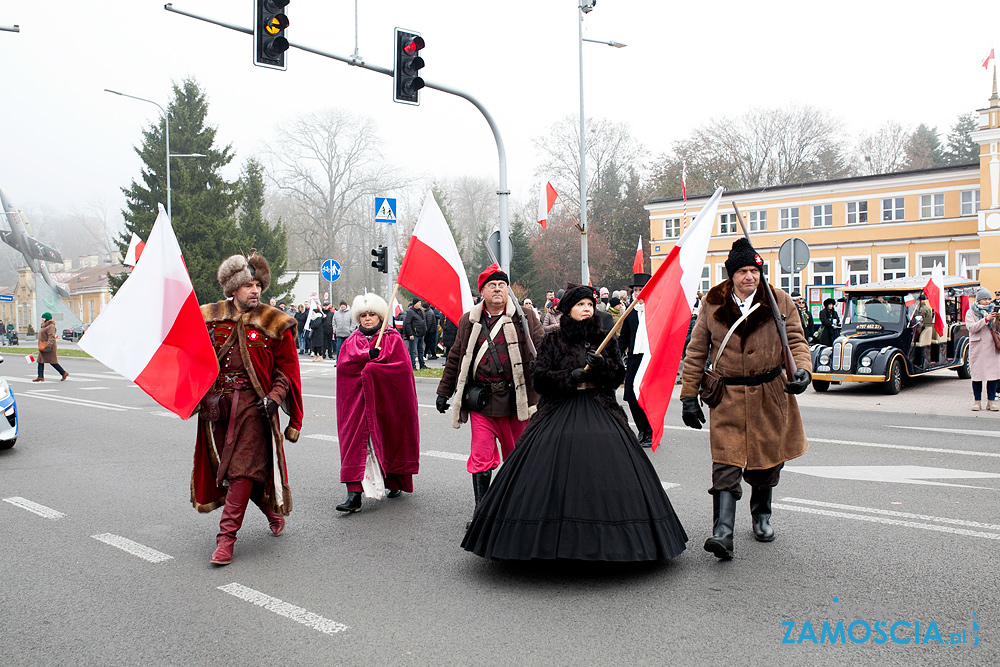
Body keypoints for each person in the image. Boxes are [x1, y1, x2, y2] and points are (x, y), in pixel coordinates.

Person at [462, 284, 687, 561]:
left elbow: (618, 377)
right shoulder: (553, 340)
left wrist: (604, 367)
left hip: (600, 407)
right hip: (559, 408)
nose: (587, 309)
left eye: (590, 305)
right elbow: (540, 379)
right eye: (581, 305)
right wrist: (571, 376)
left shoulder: (605, 338)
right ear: (568, 309)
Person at [679, 238, 811, 560]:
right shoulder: (712, 302)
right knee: (725, 463)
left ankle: (761, 515)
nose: (749, 276)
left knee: (767, 463)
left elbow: (795, 340)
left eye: (754, 270)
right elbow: (697, 351)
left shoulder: (779, 301)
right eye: (742, 271)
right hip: (728, 396)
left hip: (770, 393)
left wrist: (803, 371)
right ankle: (722, 532)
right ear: (731, 274)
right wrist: (688, 396)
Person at [191, 252, 303, 566]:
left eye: (258, 284)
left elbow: (287, 370)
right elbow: (193, 359)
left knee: (242, 470)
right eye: (247, 285)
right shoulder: (209, 317)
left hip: (256, 408)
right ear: (232, 289)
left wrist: (276, 396)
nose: (254, 290)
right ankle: (270, 511)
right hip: (217, 408)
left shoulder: (275, 322)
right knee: (229, 471)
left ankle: (225, 540)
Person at [436, 263, 544, 521]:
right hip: (481, 401)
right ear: (481, 291)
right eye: (492, 286)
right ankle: (482, 512)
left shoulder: (525, 316)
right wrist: (444, 391)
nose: (498, 289)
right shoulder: (469, 320)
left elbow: (544, 347)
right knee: (481, 457)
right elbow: (456, 357)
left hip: (517, 400)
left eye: (502, 285)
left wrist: (546, 373)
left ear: (508, 290)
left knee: (519, 457)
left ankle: (520, 510)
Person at [335, 293, 420, 512]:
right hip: (358, 406)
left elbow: (401, 370)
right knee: (356, 444)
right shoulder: (351, 342)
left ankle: (394, 481)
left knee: (389, 437)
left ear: (380, 316)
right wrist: (365, 357)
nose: (368, 319)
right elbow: (344, 369)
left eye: (372, 314)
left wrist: (373, 368)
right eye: (363, 315)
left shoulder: (392, 339)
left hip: (385, 403)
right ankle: (354, 493)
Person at [618, 272, 654, 447]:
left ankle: (651, 432)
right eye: (636, 290)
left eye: (642, 290)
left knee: (648, 397)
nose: (638, 293)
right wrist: (615, 353)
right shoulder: (631, 312)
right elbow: (624, 337)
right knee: (631, 396)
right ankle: (642, 430)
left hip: (651, 360)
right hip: (634, 358)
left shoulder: (656, 310)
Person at [964, 287, 1000, 411]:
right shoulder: (971, 312)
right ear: (979, 300)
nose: (987, 301)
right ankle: (977, 402)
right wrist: (986, 319)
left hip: (991, 346)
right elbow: (971, 328)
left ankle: (991, 402)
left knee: (992, 375)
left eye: (989, 299)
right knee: (977, 375)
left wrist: (997, 320)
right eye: (985, 299)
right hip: (978, 347)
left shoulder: (993, 311)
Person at [33, 312, 68, 382]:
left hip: (48, 347)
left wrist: (48, 345)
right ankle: (40, 376)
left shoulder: (51, 326)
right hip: (42, 346)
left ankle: (63, 373)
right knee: (40, 361)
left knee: (52, 361)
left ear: (46, 318)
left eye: (43, 318)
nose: (42, 319)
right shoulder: (44, 326)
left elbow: (51, 336)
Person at [403, 299, 427, 370]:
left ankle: (422, 364)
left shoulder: (421, 311)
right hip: (414, 335)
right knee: (413, 351)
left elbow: (423, 321)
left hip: (421, 334)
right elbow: (407, 323)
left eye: (420, 303)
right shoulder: (410, 312)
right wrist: (410, 334)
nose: (420, 304)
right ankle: (413, 366)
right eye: (418, 303)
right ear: (414, 304)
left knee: (421, 350)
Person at [913, 292, 935, 367]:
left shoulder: (921, 309)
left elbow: (918, 320)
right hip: (927, 327)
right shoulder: (927, 308)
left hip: (923, 328)